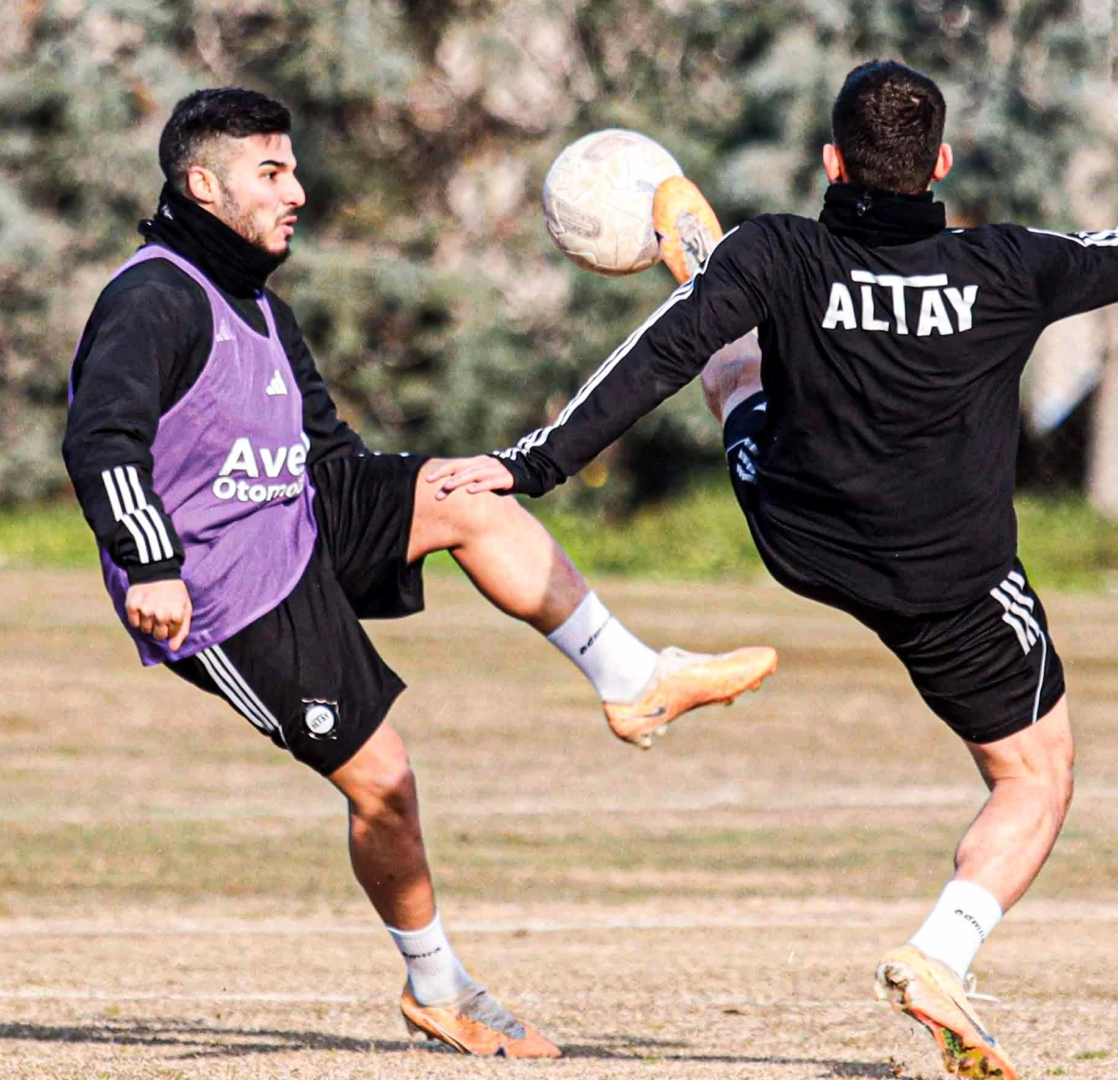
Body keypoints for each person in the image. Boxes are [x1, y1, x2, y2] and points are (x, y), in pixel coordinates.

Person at [429, 61, 1118, 1079]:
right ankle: (939, 955)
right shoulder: (1005, 269)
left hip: (800, 532)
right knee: (1035, 777)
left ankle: (699, 265)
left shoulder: (782, 252)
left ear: (831, 162)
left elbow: (653, 359)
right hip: (949, 579)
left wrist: (526, 463)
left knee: (730, 353)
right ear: (938, 164)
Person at [61, 87, 778, 1059]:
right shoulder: (154, 297)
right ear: (203, 183)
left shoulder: (256, 301)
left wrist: (410, 501)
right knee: (384, 785)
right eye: (272, 172)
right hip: (223, 587)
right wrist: (151, 565)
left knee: (469, 490)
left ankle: (633, 679)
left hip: (300, 519)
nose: (298, 190)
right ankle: (438, 986)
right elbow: (101, 438)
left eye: (294, 168)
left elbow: (327, 448)